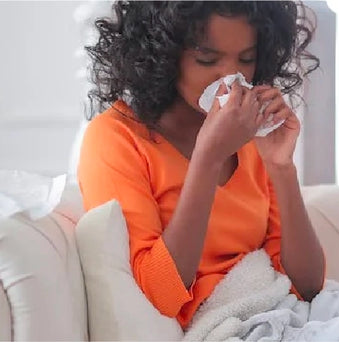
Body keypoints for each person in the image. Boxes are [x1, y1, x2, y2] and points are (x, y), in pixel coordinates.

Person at [77, 1, 325, 329]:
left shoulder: (251, 137)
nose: (231, 76)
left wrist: (282, 168)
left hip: (281, 317)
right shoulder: (116, 138)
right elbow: (160, 294)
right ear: (163, 55)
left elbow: (308, 286)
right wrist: (208, 158)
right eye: (207, 59)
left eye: (247, 59)